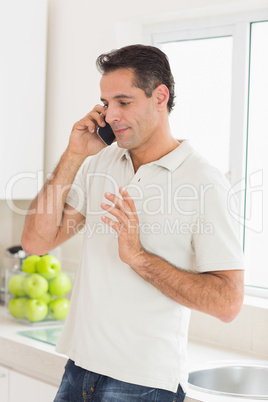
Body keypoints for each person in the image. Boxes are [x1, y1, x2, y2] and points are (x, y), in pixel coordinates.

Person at [21, 44, 244, 401]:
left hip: (142, 384)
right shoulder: (100, 162)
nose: (110, 116)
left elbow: (228, 303)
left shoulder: (203, 180)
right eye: (106, 103)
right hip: (79, 371)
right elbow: (36, 242)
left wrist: (139, 257)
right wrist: (74, 154)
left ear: (160, 96)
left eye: (124, 102)